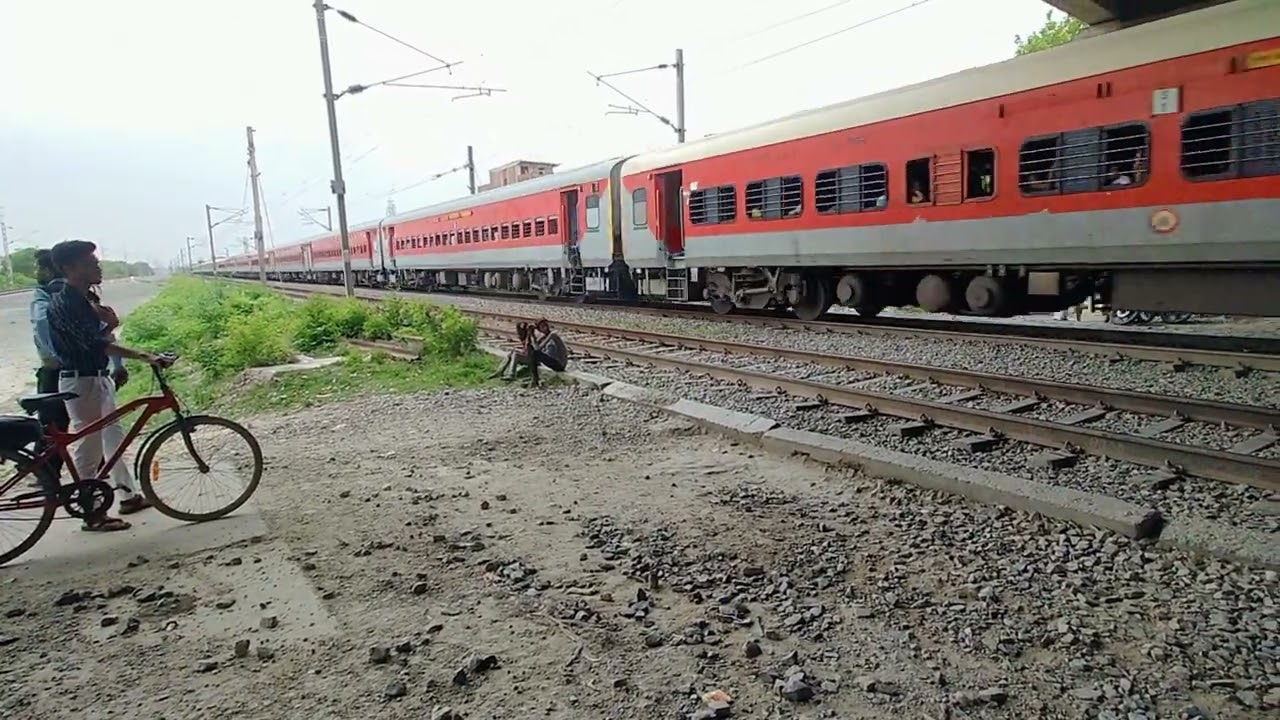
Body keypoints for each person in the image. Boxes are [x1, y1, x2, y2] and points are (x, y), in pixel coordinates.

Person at [46, 240, 172, 532]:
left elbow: (102, 337)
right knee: (89, 447)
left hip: (97, 378)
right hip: (81, 381)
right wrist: (143, 355)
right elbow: (96, 343)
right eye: (89, 262)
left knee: (113, 437)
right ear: (69, 268)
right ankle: (90, 512)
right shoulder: (65, 303)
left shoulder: (85, 298)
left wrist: (110, 329)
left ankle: (127, 494)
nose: (97, 265)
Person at [491, 318, 568, 387]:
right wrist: (531, 335)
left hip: (559, 363)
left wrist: (533, 337)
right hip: (551, 361)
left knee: (534, 354)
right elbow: (535, 346)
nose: (545, 327)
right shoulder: (544, 337)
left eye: (545, 325)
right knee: (517, 352)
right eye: (542, 326)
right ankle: (501, 371)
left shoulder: (552, 335)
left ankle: (534, 380)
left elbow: (538, 349)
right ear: (539, 329)